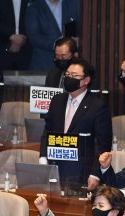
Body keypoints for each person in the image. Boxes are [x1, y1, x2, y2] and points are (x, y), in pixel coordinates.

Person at [39, 57, 112, 185]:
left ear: (86, 80)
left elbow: (102, 145)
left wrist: (95, 174)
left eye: (74, 75)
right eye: (67, 75)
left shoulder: (98, 106)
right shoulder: (57, 101)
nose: (69, 78)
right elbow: (48, 131)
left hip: (82, 172)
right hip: (55, 167)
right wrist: (43, 158)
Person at [25, 0, 80, 71]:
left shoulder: (72, 5)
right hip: (44, 65)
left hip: (71, 66)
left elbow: (82, 27)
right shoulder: (34, 8)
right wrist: (56, 43)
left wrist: (79, 40)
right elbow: (34, 37)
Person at [0, 0, 31, 71]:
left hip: (26, 48)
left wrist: (22, 39)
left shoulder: (31, 1)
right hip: (4, 46)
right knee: (3, 79)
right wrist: (11, 36)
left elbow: (35, 21)